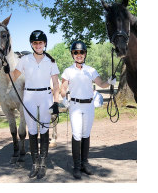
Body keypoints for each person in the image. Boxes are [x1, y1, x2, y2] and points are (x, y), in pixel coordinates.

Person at [60, 41, 116, 179]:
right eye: (76, 52)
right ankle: (76, 166)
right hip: (75, 106)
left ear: (85, 54)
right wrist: (63, 98)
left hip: (89, 105)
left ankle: (85, 163)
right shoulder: (68, 71)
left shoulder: (91, 70)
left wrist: (109, 82)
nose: (79, 55)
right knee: (77, 134)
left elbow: (101, 83)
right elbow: (63, 88)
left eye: (81, 52)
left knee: (86, 133)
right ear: (72, 54)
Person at [9, 30, 59, 179]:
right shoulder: (25, 60)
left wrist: (56, 103)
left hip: (45, 96)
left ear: (44, 44)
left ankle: (43, 164)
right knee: (31, 130)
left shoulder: (51, 61)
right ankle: (34, 164)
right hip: (29, 96)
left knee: (44, 129)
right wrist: (5, 70)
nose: (38, 45)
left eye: (40, 43)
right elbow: (14, 77)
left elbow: (56, 84)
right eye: (35, 43)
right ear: (32, 44)